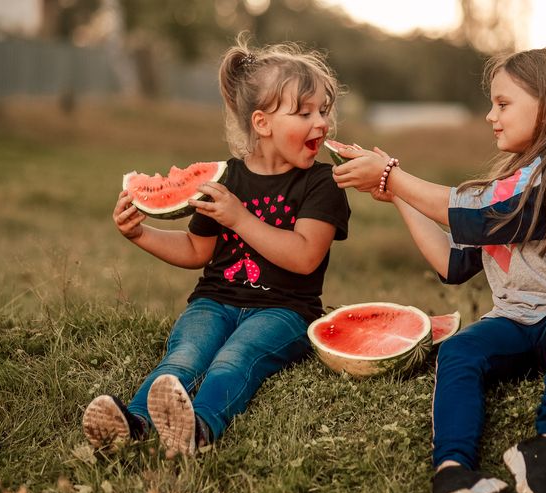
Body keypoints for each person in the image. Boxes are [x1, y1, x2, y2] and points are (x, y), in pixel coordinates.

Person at [332, 47, 546, 493]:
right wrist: (397, 195)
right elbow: (453, 261)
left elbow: (475, 214)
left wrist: (393, 176)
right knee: (461, 350)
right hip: (516, 326)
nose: (491, 116)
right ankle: (453, 473)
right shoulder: (512, 182)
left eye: (503, 104)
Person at [82, 35, 350, 458]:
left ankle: (200, 428)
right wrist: (140, 234)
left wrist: (240, 218)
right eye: (304, 112)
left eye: (323, 111)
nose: (321, 123)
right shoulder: (225, 179)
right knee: (184, 358)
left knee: (235, 357)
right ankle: (132, 424)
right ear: (262, 123)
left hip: (286, 311)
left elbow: (304, 256)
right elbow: (196, 250)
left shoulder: (322, 183)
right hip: (214, 300)